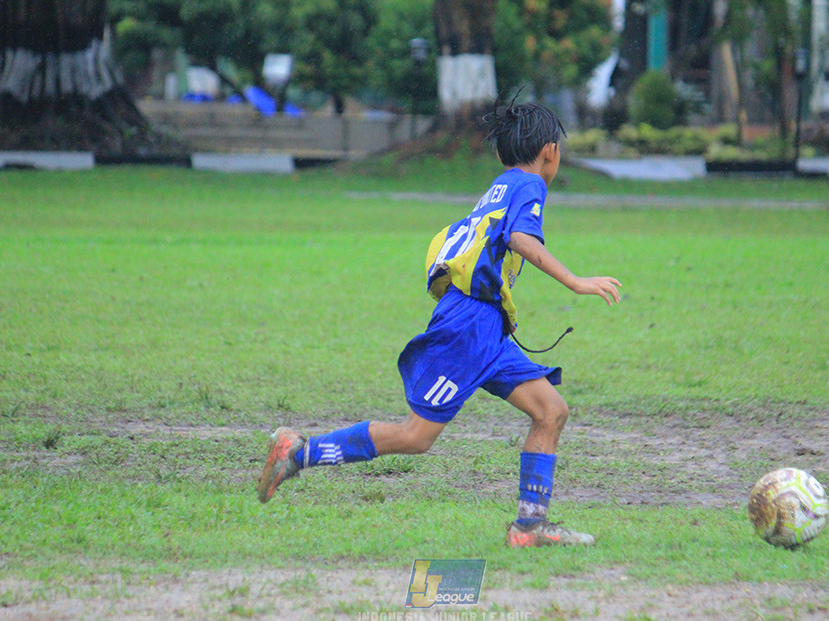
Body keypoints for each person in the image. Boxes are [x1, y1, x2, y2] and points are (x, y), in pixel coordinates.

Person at [257, 100, 621, 548]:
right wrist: (575, 281)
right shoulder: (529, 184)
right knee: (416, 436)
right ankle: (299, 452)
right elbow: (520, 238)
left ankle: (529, 527)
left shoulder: (501, 185)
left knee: (551, 411)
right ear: (550, 151)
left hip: (486, 326)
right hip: (470, 325)